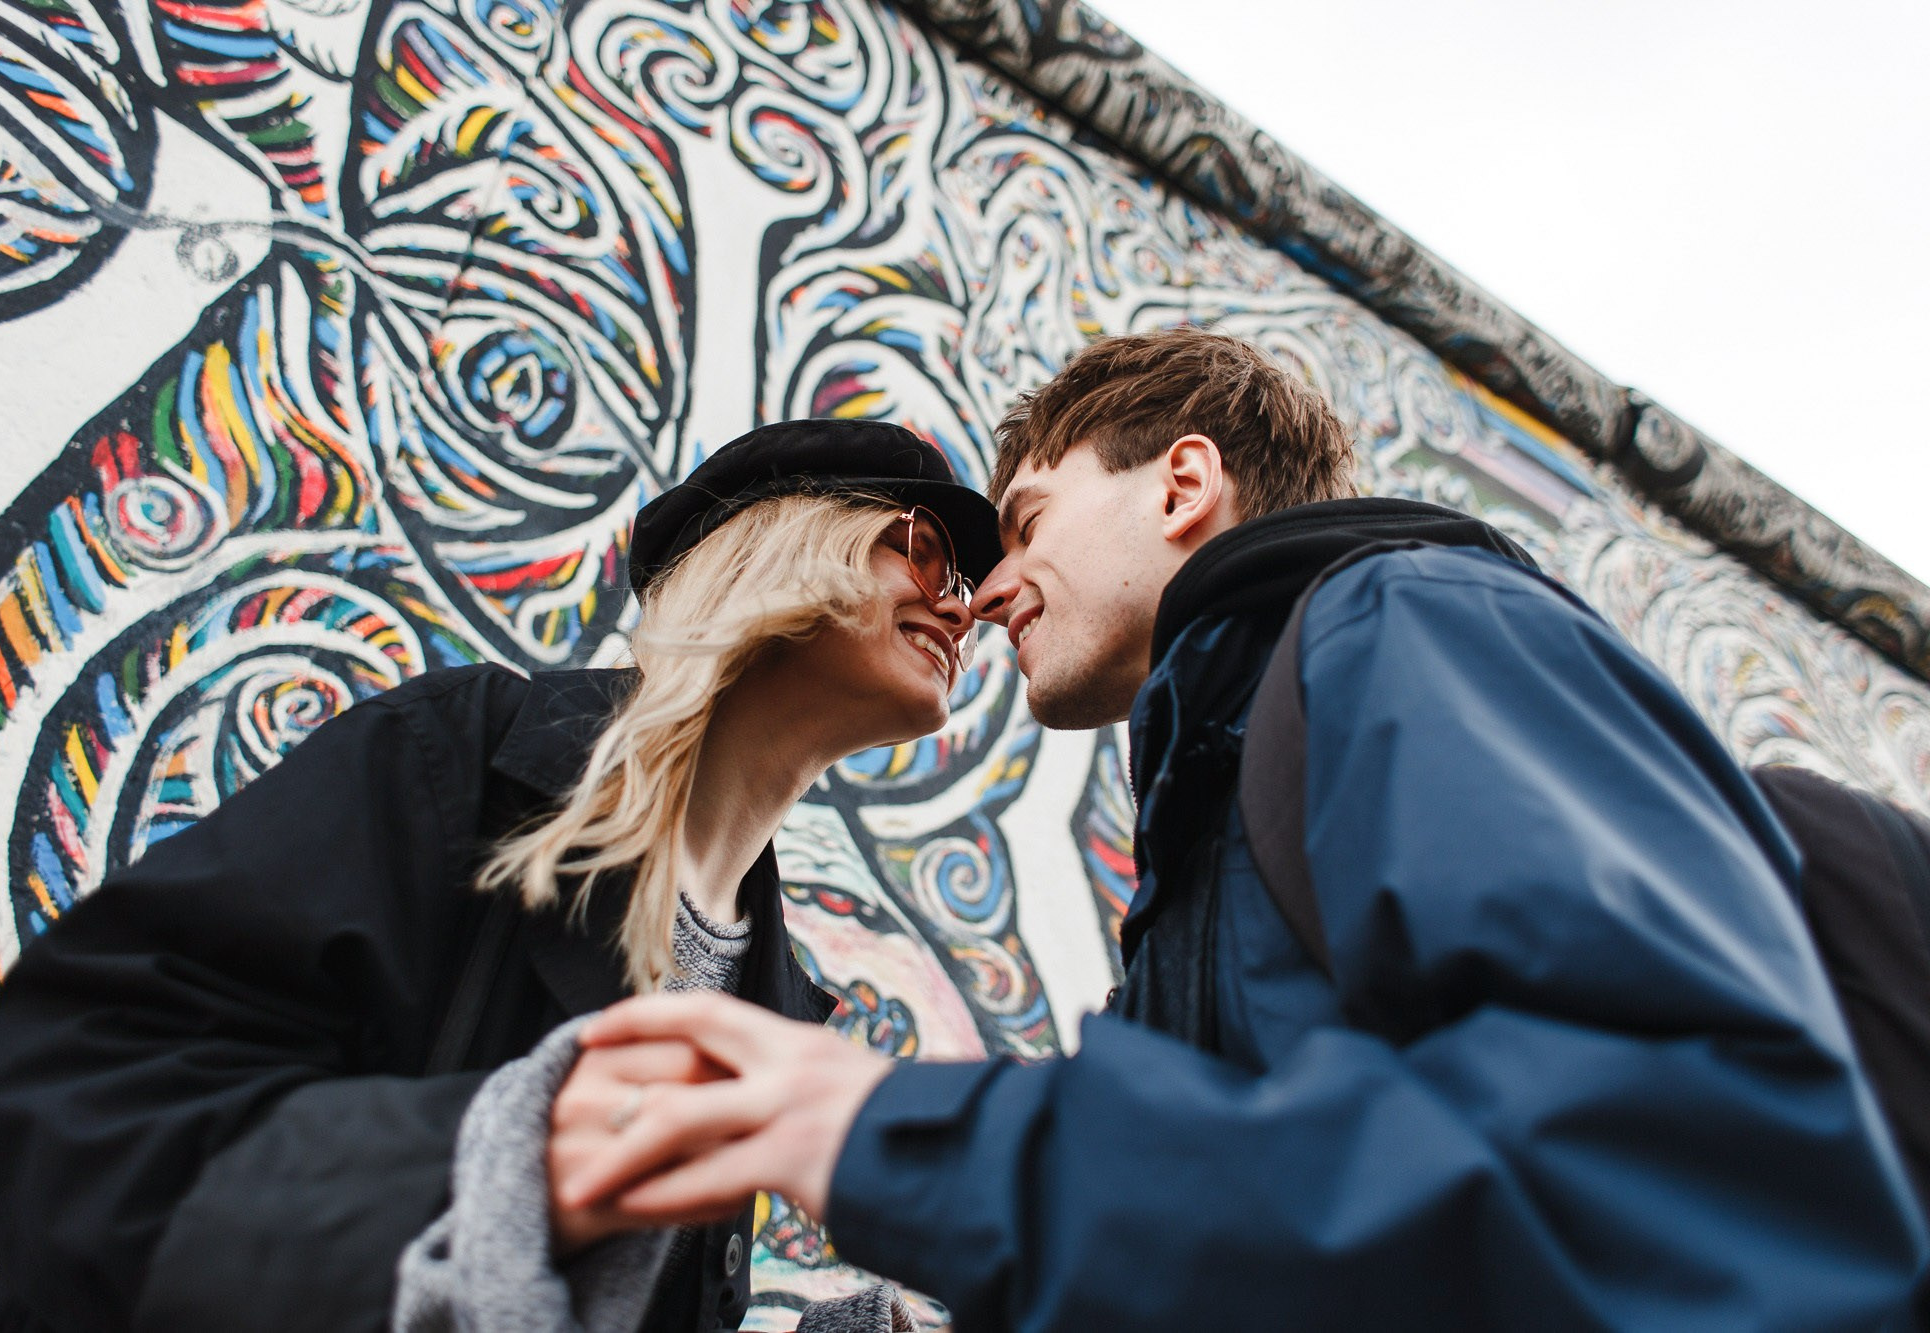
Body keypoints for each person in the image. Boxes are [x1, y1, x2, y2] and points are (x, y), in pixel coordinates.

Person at [554, 328, 1930, 1329]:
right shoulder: (1209, 829)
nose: (987, 591)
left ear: (1182, 483)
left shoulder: (1400, 626)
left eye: (1023, 523)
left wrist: (898, 1134)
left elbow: (1660, 1178)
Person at [0, 419, 1000, 1333]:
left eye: (963, 582)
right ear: (778, 550)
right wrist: (520, 1156)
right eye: (921, 551)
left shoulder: (771, 1001)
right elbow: (94, 1082)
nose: (961, 609)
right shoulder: (462, 757)